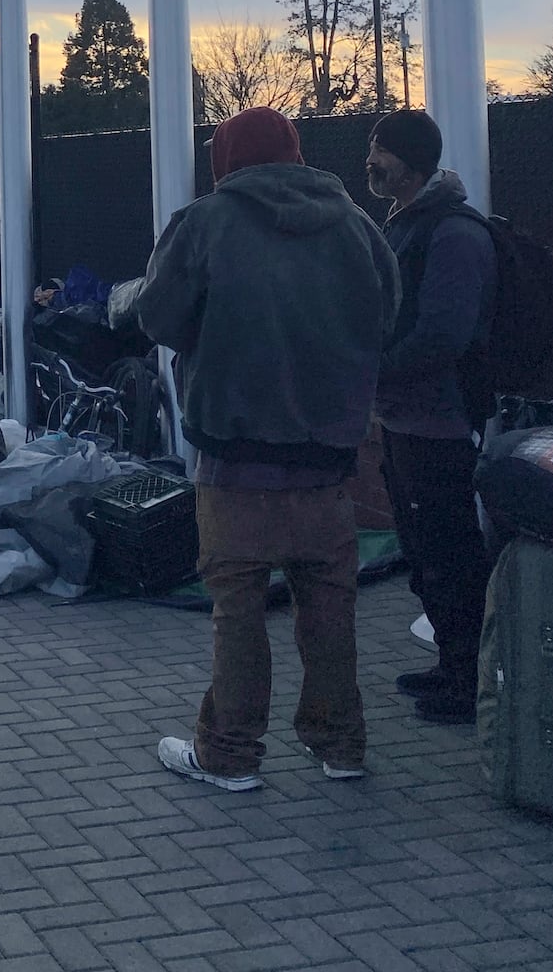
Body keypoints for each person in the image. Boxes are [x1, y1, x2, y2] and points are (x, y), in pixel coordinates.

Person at [135, 107, 400, 791]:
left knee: (239, 612)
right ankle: (341, 746)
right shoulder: (357, 226)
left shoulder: (206, 223)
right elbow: (388, 316)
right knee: (329, 609)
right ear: (296, 153)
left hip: (234, 461)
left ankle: (229, 754)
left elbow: (157, 316)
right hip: (328, 462)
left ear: (226, 162)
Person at [366, 108, 498, 725]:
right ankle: (452, 666)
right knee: (425, 552)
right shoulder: (407, 224)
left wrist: (379, 368)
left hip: (438, 425)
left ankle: (469, 681)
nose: (371, 160)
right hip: (405, 421)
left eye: (380, 150)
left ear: (410, 162)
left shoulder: (452, 233)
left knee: (450, 553)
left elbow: (445, 334)